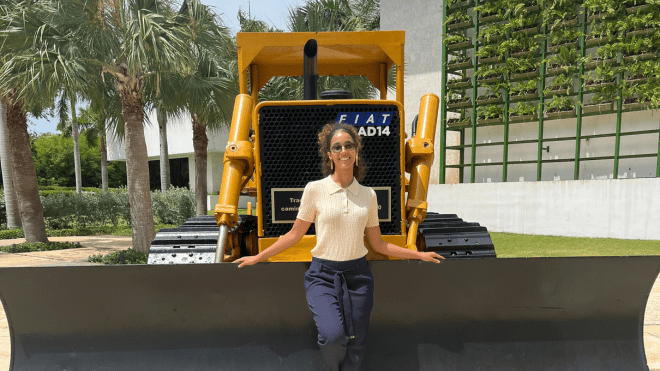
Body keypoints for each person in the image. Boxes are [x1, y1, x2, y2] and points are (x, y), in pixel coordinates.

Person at [234, 122, 443, 371]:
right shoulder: (315, 190)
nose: (344, 151)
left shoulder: (368, 195)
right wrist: (258, 257)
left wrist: (417, 254)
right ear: (329, 154)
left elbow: (378, 243)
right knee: (332, 336)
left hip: (358, 277)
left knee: (357, 345)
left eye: (348, 146)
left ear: (356, 152)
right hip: (322, 276)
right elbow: (294, 235)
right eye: (337, 147)